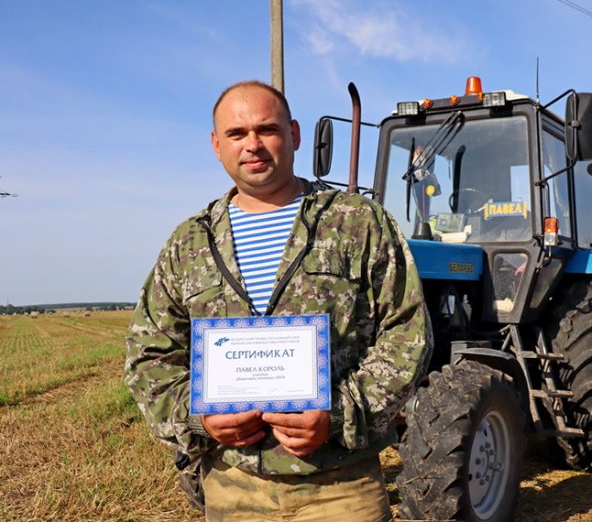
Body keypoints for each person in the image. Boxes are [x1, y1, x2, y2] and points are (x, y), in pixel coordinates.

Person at [125, 80, 433, 522]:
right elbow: (149, 353)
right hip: (232, 486)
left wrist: (338, 413)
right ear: (217, 145)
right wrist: (198, 418)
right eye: (236, 134)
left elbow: (407, 333)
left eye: (266, 130)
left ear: (294, 134)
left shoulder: (357, 222)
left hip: (340, 486)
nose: (252, 145)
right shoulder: (189, 242)